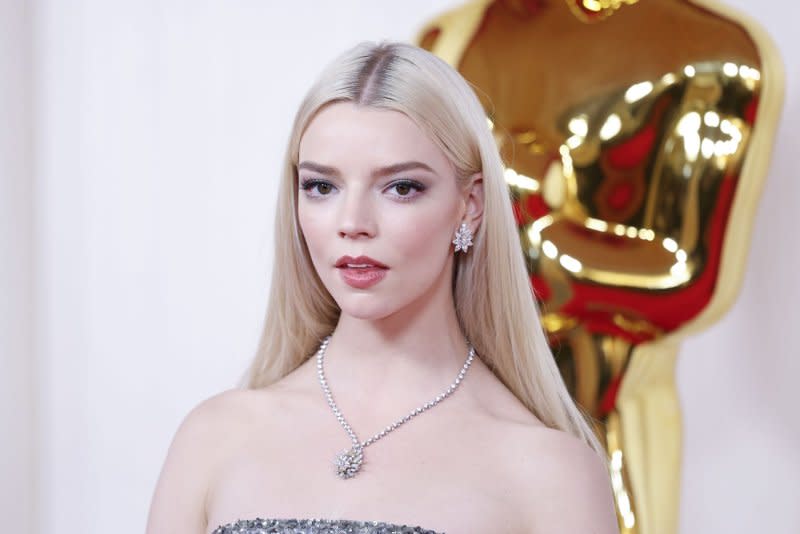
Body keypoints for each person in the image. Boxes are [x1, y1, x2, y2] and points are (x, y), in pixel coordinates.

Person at [145, 40, 620, 534]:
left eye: (401, 187)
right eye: (321, 187)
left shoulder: (551, 473)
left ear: (471, 205)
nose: (353, 223)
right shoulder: (214, 439)